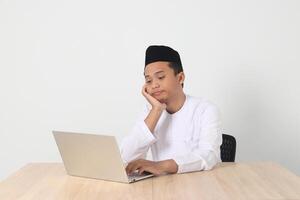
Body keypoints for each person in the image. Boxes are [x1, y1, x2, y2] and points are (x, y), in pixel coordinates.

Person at [120, 45, 222, 176]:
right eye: (149, 81)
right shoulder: (150, 112)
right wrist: (156, 110)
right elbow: (126, 158)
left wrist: (160, 166)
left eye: (161, 77)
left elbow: (209, 156)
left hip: (201, 185)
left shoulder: (206, 110)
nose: (154, 85)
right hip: (162, 187)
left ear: (180, 78)